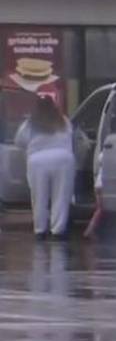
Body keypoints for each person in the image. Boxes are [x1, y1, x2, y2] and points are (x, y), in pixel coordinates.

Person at [15, 97, 75, 241]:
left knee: (39, 197)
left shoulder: (30, 123)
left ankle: (40, 230)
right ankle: (58, 230)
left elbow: (19, 141)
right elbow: (71, 136)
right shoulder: (63, 121)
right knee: (61, 196)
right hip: (63, 158)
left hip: (38, 160)